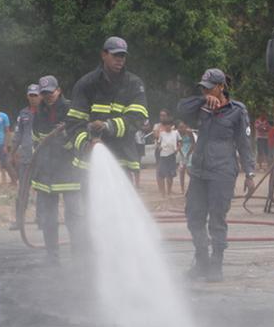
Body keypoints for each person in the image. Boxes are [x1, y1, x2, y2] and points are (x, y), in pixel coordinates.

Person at [178, 69, 255, 282]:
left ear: (221, 87)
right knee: (194, 216)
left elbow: (244, 144)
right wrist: (203, 99)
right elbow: (181, 109)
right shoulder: (200, 106)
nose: (205, 89)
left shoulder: (237, 111)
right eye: (202, 86)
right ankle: (201, 261)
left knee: (217, 219)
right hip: (200, 171)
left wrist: (250, 173)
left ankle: (216, 265)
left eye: (209, 87)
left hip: (222, 171)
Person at [66, 36, 149, 184]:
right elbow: (74, 123)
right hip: (89, 166)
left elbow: (137, 118)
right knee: (88, 206)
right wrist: (87, 144)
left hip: (121, 162)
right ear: (104, 54)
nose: (120, 59)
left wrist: (108, 126)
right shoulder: (86, 84)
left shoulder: (134, 84)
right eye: (115, 55)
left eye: (123, 55)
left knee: (120, 206)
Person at [30, 75, 83, 262]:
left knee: (74, 215)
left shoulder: (70, 109)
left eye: (50, 92)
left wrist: (67, 140)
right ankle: (52, 256)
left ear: (58, 90)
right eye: (44, 93)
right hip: (46, 173)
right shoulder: (39, 112)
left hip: (69, 172)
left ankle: (78, 254)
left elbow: (81, 136)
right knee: (48, 218)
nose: (47, 96)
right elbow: (37, 138)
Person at [11, 84, 41, 230]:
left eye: (36, 95)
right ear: (27, 96)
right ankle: (19, 221)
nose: (33, 98)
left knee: (43, 189)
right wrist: (12, 152)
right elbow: (18, 134)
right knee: (23, 189)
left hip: (42, 157)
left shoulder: (46, 112)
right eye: (31, 95)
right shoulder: (23, 114)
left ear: (41, 96)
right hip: (26, 157)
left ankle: (42, 219)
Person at [154, 109, 181, 197]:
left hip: (171, 155)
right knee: (161, 173)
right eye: (161, 115)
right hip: (162, 155)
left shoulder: (175, 132)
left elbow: (180, 141)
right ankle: (162, 192)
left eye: (164, 115)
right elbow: (157, 140)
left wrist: (177, 149)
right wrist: (159, 147)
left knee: (170, 175)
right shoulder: (160, 131)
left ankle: (169, 191)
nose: (167, 127)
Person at [177, 120, 195, 191]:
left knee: (189, 171)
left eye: (182, 127)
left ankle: (192, 187)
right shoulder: (177, 133)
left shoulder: (189, 132)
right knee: (181, 171)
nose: (181, 129)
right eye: (179, 127)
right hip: (182, 152)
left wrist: (188, 154)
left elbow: (193, 144)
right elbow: (177, 144)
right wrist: (181, 153)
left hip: (189, 152)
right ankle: (182, 189)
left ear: (186, 127)